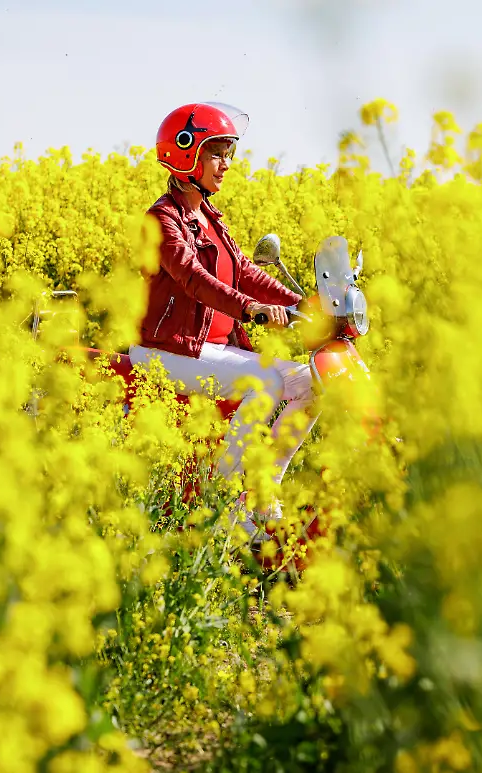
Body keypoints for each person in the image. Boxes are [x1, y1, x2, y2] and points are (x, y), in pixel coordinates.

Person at [128, 102, 318, 538]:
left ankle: (265, 490)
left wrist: (303, 304)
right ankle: (224, 506)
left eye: (229, 153)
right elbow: (194, 279)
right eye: (217, 153)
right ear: (186, 154)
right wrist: (249, 309)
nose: (227, 164)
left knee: (310, 382)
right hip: (168, 349)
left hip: (211, 349)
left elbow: (246, 272)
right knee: (266, 383)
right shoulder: (162, 220)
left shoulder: (209, 217)